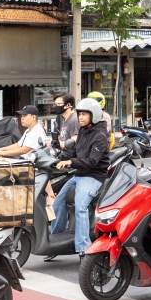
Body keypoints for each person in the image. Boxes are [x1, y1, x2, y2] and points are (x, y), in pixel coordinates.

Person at [52, 97, 110, 255]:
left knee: (80, 206)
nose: (81, 117)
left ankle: (84, 248)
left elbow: (91, 161)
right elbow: (75, 152)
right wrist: (60, 154)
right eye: (80, 114)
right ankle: (56, 240)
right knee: (58, 201)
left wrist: (70, 162)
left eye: (85, 114)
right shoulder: (84, 131)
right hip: (79, 174)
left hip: (93, 176)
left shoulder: (100, 136)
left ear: (94, 115)